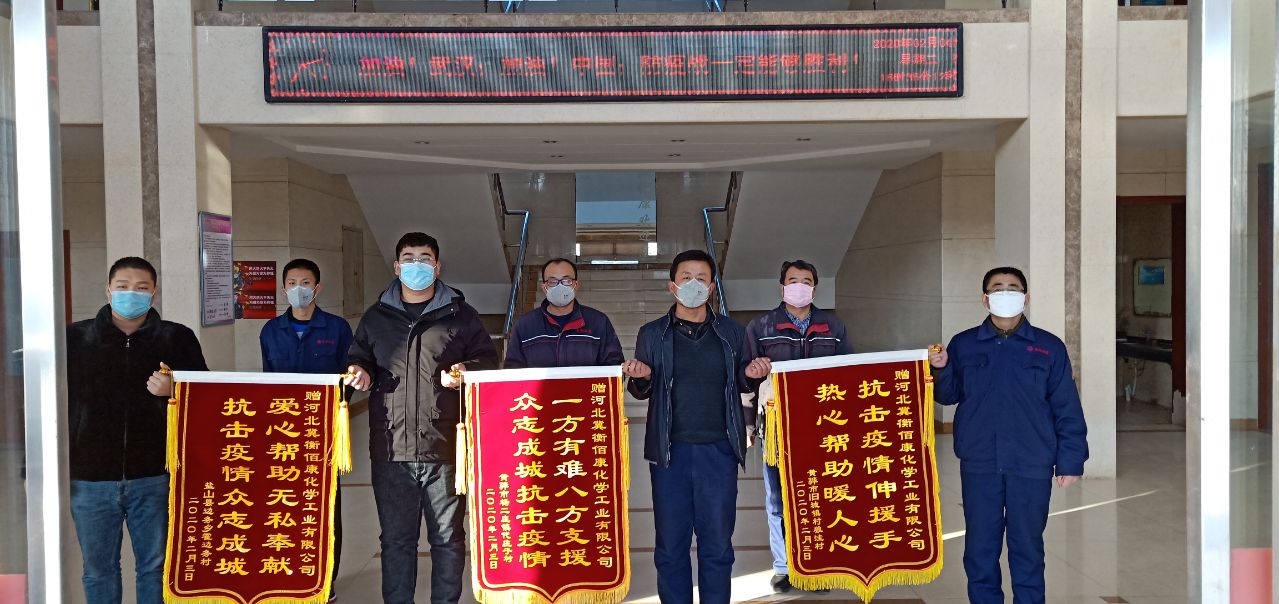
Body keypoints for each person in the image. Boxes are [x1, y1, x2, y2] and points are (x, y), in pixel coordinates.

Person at [343, 232, 498, 604]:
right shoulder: (376, 317)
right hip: (390, 447)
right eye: (409, 259)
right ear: (397, 267)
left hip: (445, 447)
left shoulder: (462, 316)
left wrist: (466, 370)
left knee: (447, 539)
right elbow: (358, 359)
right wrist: (359, 372)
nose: (417, 265)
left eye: (425, 258)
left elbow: (489, 361)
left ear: (437, 266)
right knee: (396, 541)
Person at [930, 266, 1088, 604]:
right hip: (980, 461)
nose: (1005, 293)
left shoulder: (1048, 347)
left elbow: (1066, 406)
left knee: (1027, 547)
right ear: (985, 299)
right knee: (980, 548)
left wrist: (1071, 460)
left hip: (1031, 462)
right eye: (997, 288)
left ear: (1026, 298)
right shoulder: (964, 344)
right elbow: (948, 395)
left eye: (1013, 288)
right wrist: (940, 369)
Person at [622, 249, 770, 604]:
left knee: (717, 545)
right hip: (669, 452)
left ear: (712, 287)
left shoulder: (732, 332)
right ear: (672, 286)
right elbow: (641, 390)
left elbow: (743, 382)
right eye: (686, 277)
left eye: (701, 278)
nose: (694, 284)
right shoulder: (652, 334)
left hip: (719, 450)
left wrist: (752, 374)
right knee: (670, 546)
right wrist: (641, 377)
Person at [66, 256, 208, 604]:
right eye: (123, 286)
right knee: (98, 569)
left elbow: (206, 398)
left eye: (141, 288)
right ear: (108, 290)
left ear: (153, 293)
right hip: (90, 477)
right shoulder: (74, 339)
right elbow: (53, 404)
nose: (132, 293)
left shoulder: (178, 338)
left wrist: (176, 389)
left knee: (155, 567)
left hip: (156, 475)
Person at [744, 260, 853, 594]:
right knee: (778, 498)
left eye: (806, 281)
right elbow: (744, 379)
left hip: (824, 425)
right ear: (782, 287)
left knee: (819, 495)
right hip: (777, 426)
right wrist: (748, 426)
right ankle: (783, 567)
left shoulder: (833, 326)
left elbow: (849, 372)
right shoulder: (760, 326)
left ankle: (816, 565)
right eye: (793, 280)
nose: (799, 286)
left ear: (815, 289)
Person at [259, 258, 353, 601]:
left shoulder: (337, 329)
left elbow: (347, 380)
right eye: (292, 283)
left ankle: (325, 580)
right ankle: (289, 573)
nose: (299, 288)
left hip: (324, 432)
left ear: (318, 288)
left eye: (306, 282)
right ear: (283, 288)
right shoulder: (271, 331)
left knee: (325, 506)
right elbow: (267, 381)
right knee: (285, 505)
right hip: (282, 434)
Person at [503, 257, 624, 369]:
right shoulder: (525, 326)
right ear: (544, 287)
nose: (560, 286)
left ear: (576, 285)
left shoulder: (598, 322)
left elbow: (614, 367)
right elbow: (512, 371)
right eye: (553, 281)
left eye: (566, 280)